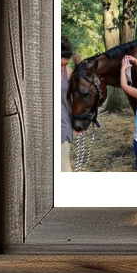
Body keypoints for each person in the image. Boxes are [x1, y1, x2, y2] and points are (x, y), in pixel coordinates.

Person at [61, 35, 74, 171]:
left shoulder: (69, 73)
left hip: (63, 123)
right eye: (60, 64)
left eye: (65, 65)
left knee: (63, 165)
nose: (62, 68)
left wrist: (75, 121)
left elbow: (69, 98)